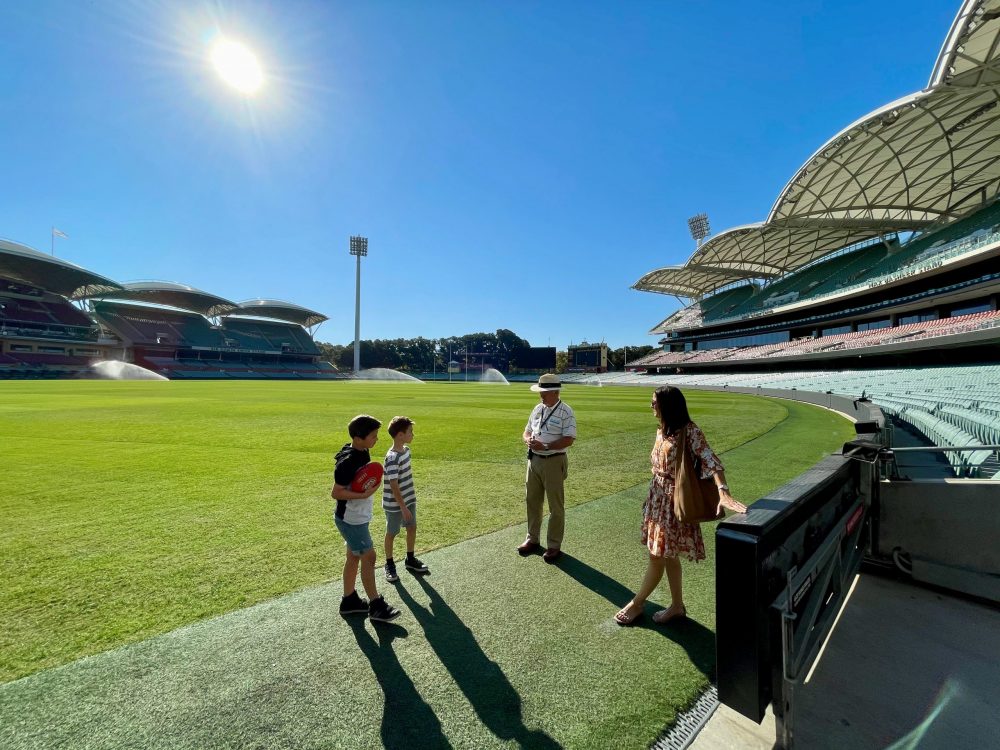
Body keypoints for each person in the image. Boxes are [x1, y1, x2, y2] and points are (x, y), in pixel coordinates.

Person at [614, 386, 746, 626]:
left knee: (657, 556)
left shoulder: (690, 430)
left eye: (655, 402)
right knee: (668, 555)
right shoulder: (662, 430)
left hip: (673, 502)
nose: (651, 405)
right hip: (657, 498)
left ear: (668, 405)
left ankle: (637, 603)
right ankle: (677, 606)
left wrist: (723, 491)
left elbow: (709, 459)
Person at [331, 414, 401, 623]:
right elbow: (336, 492)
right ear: (358, 438)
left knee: (353, 557)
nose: (376, 440)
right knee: (368, 557)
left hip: (358, 516)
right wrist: (363, 495)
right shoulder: (348, 461)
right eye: (373, 436)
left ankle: (349, 600)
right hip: (351, 519)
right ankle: (376, 606)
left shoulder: (361, 451)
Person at [519, 373, 577, 563]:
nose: (541, 396)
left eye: (544, 392)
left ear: (554, 391)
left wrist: (544, 446)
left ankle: (553, 545)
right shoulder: (538, 408)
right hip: (533, 460)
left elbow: (569, 439)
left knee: (555, 506)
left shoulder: (566, 411)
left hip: (554, 460)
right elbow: (527, 430)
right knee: (532, 501)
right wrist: (528, 440)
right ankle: (532, 538)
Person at [382, 415, 429, 582]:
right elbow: (393, 485)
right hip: (395, 505)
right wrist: (403, 508)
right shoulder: (392, 458)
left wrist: (408, 503)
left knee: (412, 527)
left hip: (409, 499)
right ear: (400, 435)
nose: (413, 434)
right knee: (392, 532)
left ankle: (410, 559)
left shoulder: (406, 451)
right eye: (410, 431)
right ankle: (389, 564)